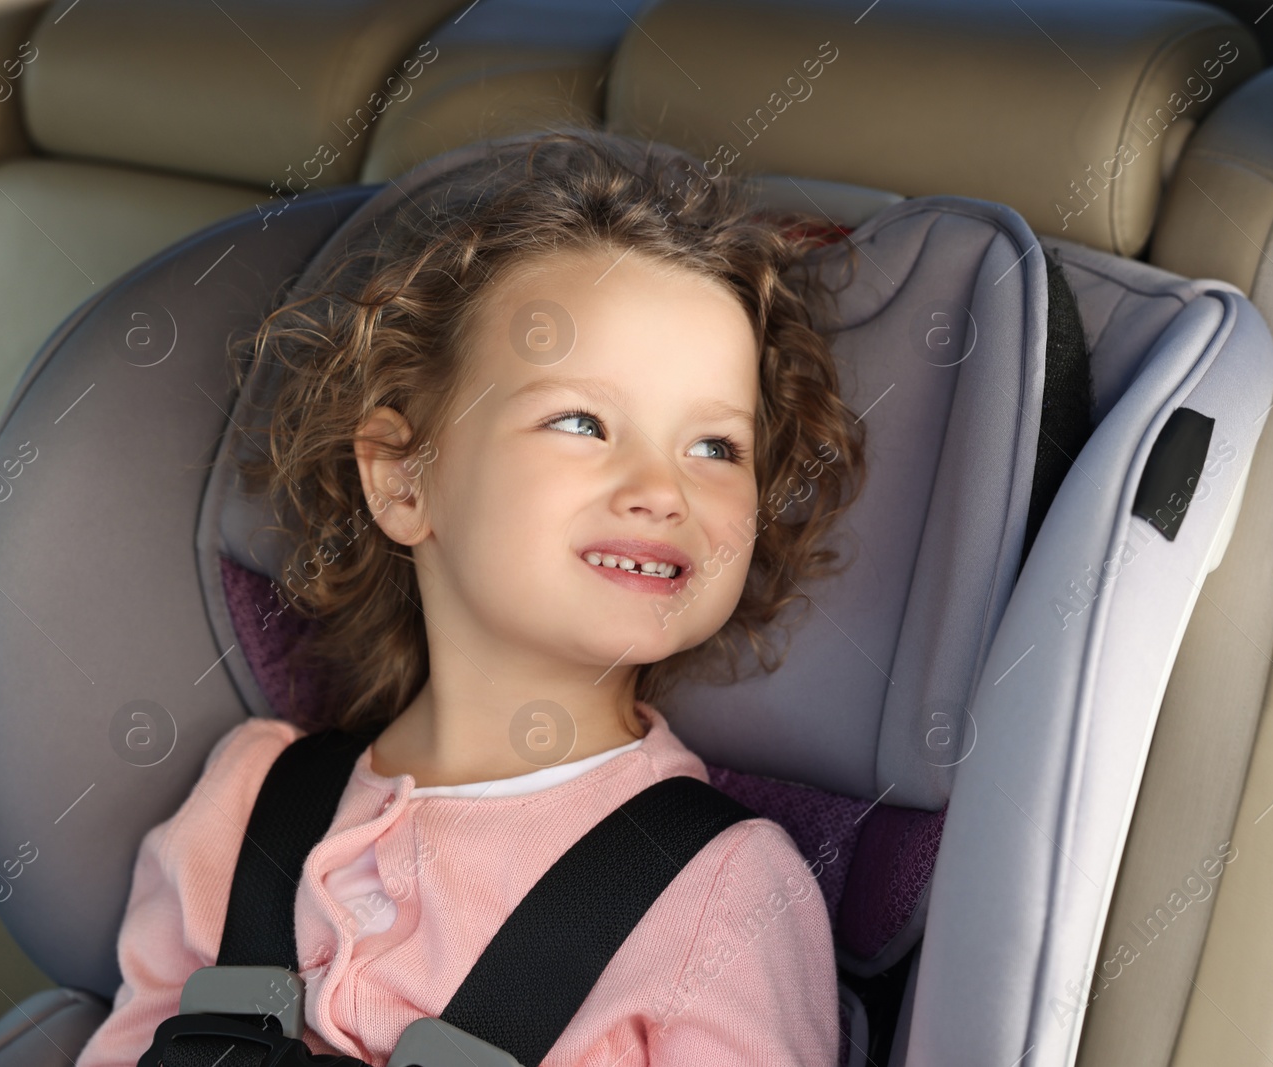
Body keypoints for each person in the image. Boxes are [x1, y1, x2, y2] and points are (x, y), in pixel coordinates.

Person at [72, 128, 868, 1067]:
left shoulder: (721, 894)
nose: (663, 487)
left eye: (716, 447)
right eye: (581, 419)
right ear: (405, 481)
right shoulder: (250, 803)